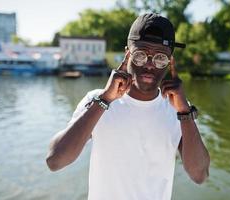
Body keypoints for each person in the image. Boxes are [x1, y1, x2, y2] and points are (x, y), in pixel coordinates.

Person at [46, 13, 210, 200]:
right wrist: (105, 100)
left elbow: (200, 175)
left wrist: (184, 112)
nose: (149, 65)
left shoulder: (179, 109)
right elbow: (55, 161)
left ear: (170, 62)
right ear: (127, 54)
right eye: (140, 55)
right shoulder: (98, 100)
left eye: (159, 58)